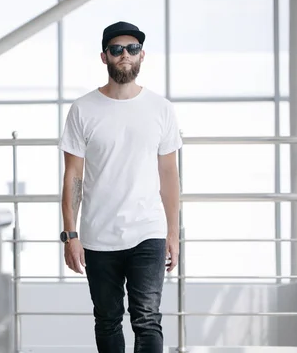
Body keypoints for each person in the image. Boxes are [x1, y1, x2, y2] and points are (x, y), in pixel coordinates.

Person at [58, 21, 182, 353]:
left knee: (147, 320)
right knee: (108, 319)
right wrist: (70, 235)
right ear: (104, 57)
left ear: (142, 56)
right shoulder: (83, 109)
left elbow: (169, 175)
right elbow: (73, 177)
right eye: (116, 49)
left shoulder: (161, 109)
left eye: (132, 48)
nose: (125, 55)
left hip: (148, 232)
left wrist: (173, 233)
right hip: (99, 236)